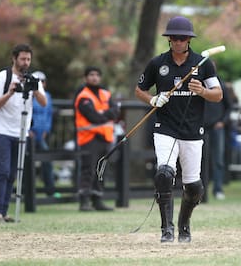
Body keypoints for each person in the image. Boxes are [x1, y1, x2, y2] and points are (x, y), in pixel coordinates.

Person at [135, 16, 223, 243]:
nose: (178, 42)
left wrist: (202, 91)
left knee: (194, 186)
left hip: (193, 131)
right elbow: (139, 90)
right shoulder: (157, 63)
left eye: (182, 38)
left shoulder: (203, 63)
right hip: (165, 128)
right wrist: (153, 99)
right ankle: (167, 229)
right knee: (164, 174)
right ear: (169, 40)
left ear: (189, 40)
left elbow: (218, 94)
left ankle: (184, 225)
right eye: (173, 38)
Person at [0, 43, 47, 223]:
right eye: (22, 59)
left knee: (13, 174)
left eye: (28, 59)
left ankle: (4, 212)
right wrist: (10, 92)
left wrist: (34, 88)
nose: (26, 62)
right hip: (1, 131)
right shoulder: (2, 77)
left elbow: (43, 103)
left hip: (21, 133)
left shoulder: (33, 78)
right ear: (14, 58)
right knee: (2, 171)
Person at [74, 66, 119, 211]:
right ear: (85, 77)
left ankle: (98, 200)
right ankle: (84, 202)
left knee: (101, 170)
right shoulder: (83, 96)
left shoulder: (106, 93)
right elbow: (93, 117)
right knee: (88, 169)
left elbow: (116, 112)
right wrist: (106, 113)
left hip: (105, 138)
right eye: (91, 74)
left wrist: (102, 113)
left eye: (97, 75)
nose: (94, 77)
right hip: (89, 138)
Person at [29, 71, 60, 198]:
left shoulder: (47, 96)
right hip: (29, 135)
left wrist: (46, 131)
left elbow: (48, 115)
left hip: (42, 135)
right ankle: (26, 191)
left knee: (47, 162)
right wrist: (28, 130)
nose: (41, 83)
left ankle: (50, 190)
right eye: (38, 81)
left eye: (42, 81)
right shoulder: (28, 95)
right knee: (26, 162)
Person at [203, 79, 232, 200]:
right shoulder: (197, 81)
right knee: (199, 159)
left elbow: (229, 107)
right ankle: (199, 189)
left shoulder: (221, 84)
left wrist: (222, 122)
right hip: (201, 127)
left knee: (218, 160)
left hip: (216, 128)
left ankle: (218, 189)